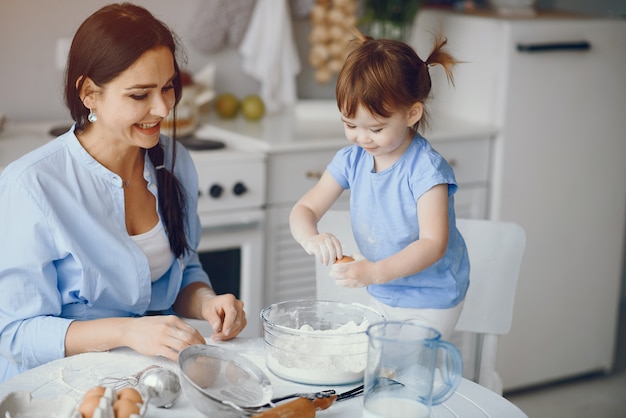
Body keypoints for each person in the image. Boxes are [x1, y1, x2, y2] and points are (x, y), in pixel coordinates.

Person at [0, 3, 246, 383]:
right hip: (53, 385)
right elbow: (16, 335)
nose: (162, 107)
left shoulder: (175, 161)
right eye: (139, 95)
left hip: (145, 373)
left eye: (168, 87)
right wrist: (127, 331)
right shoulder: (30, 186)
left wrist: (206, 302)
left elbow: (182, 271)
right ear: (89, 94)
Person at [289, 32, 469, 339]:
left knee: (408, 371)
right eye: (350, 125)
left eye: (376, 128)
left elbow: (433, 244)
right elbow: (304, 208)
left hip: (432, 297)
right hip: (383, 288)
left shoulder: (426, 170)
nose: (362, 138)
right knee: (379, 368)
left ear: (412, 114)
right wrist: (311, 238)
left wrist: (374, 272)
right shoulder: (352, 159)